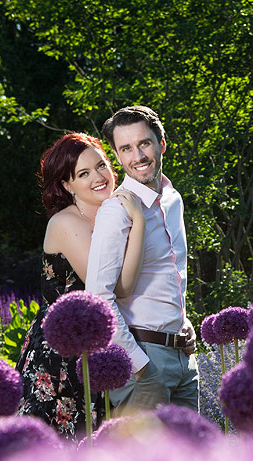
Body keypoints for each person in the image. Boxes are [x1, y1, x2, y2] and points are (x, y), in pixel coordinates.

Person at [16, 132, 147, 439]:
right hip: (61, 357)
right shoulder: (66, 223)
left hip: (96, 351)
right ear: (66, 185)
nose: (99, 177)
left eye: (101, 166)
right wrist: (139, 223)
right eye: (83, 174)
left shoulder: (109, 216)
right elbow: (117, 289)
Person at [86, 105, 198, 416]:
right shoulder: (116, 211)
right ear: (118, 156)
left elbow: (173, 275)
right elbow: (99, 297)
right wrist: (139, 366)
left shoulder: (173, 200)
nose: (138, 156)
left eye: (144, 143)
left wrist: (184, 323)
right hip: (144, 361)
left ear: (161, 144)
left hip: (184, 356)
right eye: (126, 148)